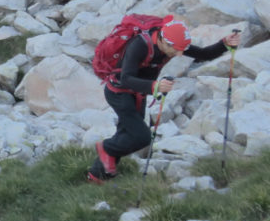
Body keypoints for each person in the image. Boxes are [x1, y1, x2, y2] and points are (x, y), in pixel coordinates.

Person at [87, 18, 241, 184]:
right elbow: (126, 79)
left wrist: (225, 43)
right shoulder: (139, 46)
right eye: (175, 50)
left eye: (181, 50)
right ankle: (106, 147)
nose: (180, 54)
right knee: (142, 136)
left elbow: (204, 54)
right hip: (119, 93)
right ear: (162, 41)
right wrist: (155, 86)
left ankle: (97, 176)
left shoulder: (173, 44)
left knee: (125, 134)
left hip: (138, 93)